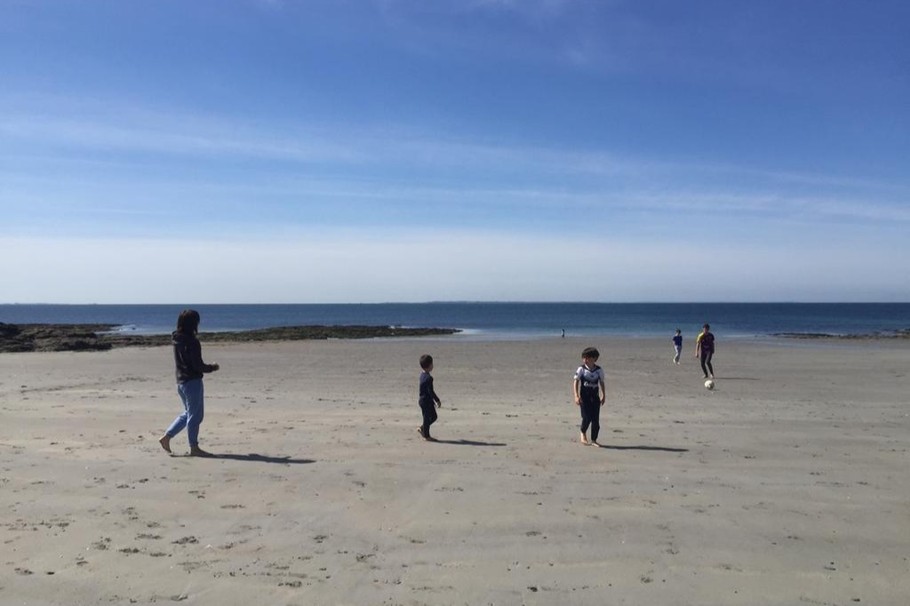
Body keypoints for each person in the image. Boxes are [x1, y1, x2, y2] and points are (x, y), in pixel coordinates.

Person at [159, 309, 219, 456]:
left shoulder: (177, 339)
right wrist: (211, 368)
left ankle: (167, 437)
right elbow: (197, 365)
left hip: (181, 382)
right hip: (192, 381)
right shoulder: (192, 341)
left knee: (189, 413)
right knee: (195, 416)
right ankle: (194, 447)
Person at [573, 346, 606, 446]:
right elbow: (576, 382)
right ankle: (583, 432)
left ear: (594, 358)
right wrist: (576, 395)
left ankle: (594, 440)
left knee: (595, 420)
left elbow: (602, 383)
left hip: (595, 398)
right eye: (584, 358)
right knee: (586, 417)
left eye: (587, 358)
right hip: (584, 397)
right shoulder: (581, 369)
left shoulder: (599, 370)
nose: (585, 360)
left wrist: (603, 395)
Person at [417, 354, 442, 441]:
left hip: (423, 400)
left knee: (433, 417)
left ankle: (422, 428)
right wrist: (437, 400)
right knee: (427, 417)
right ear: (429, 366)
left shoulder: (422, 375)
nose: (433, 366)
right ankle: (427, 436)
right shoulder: (429, 378)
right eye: (432, 364)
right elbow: (430, 391)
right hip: (426, 401)